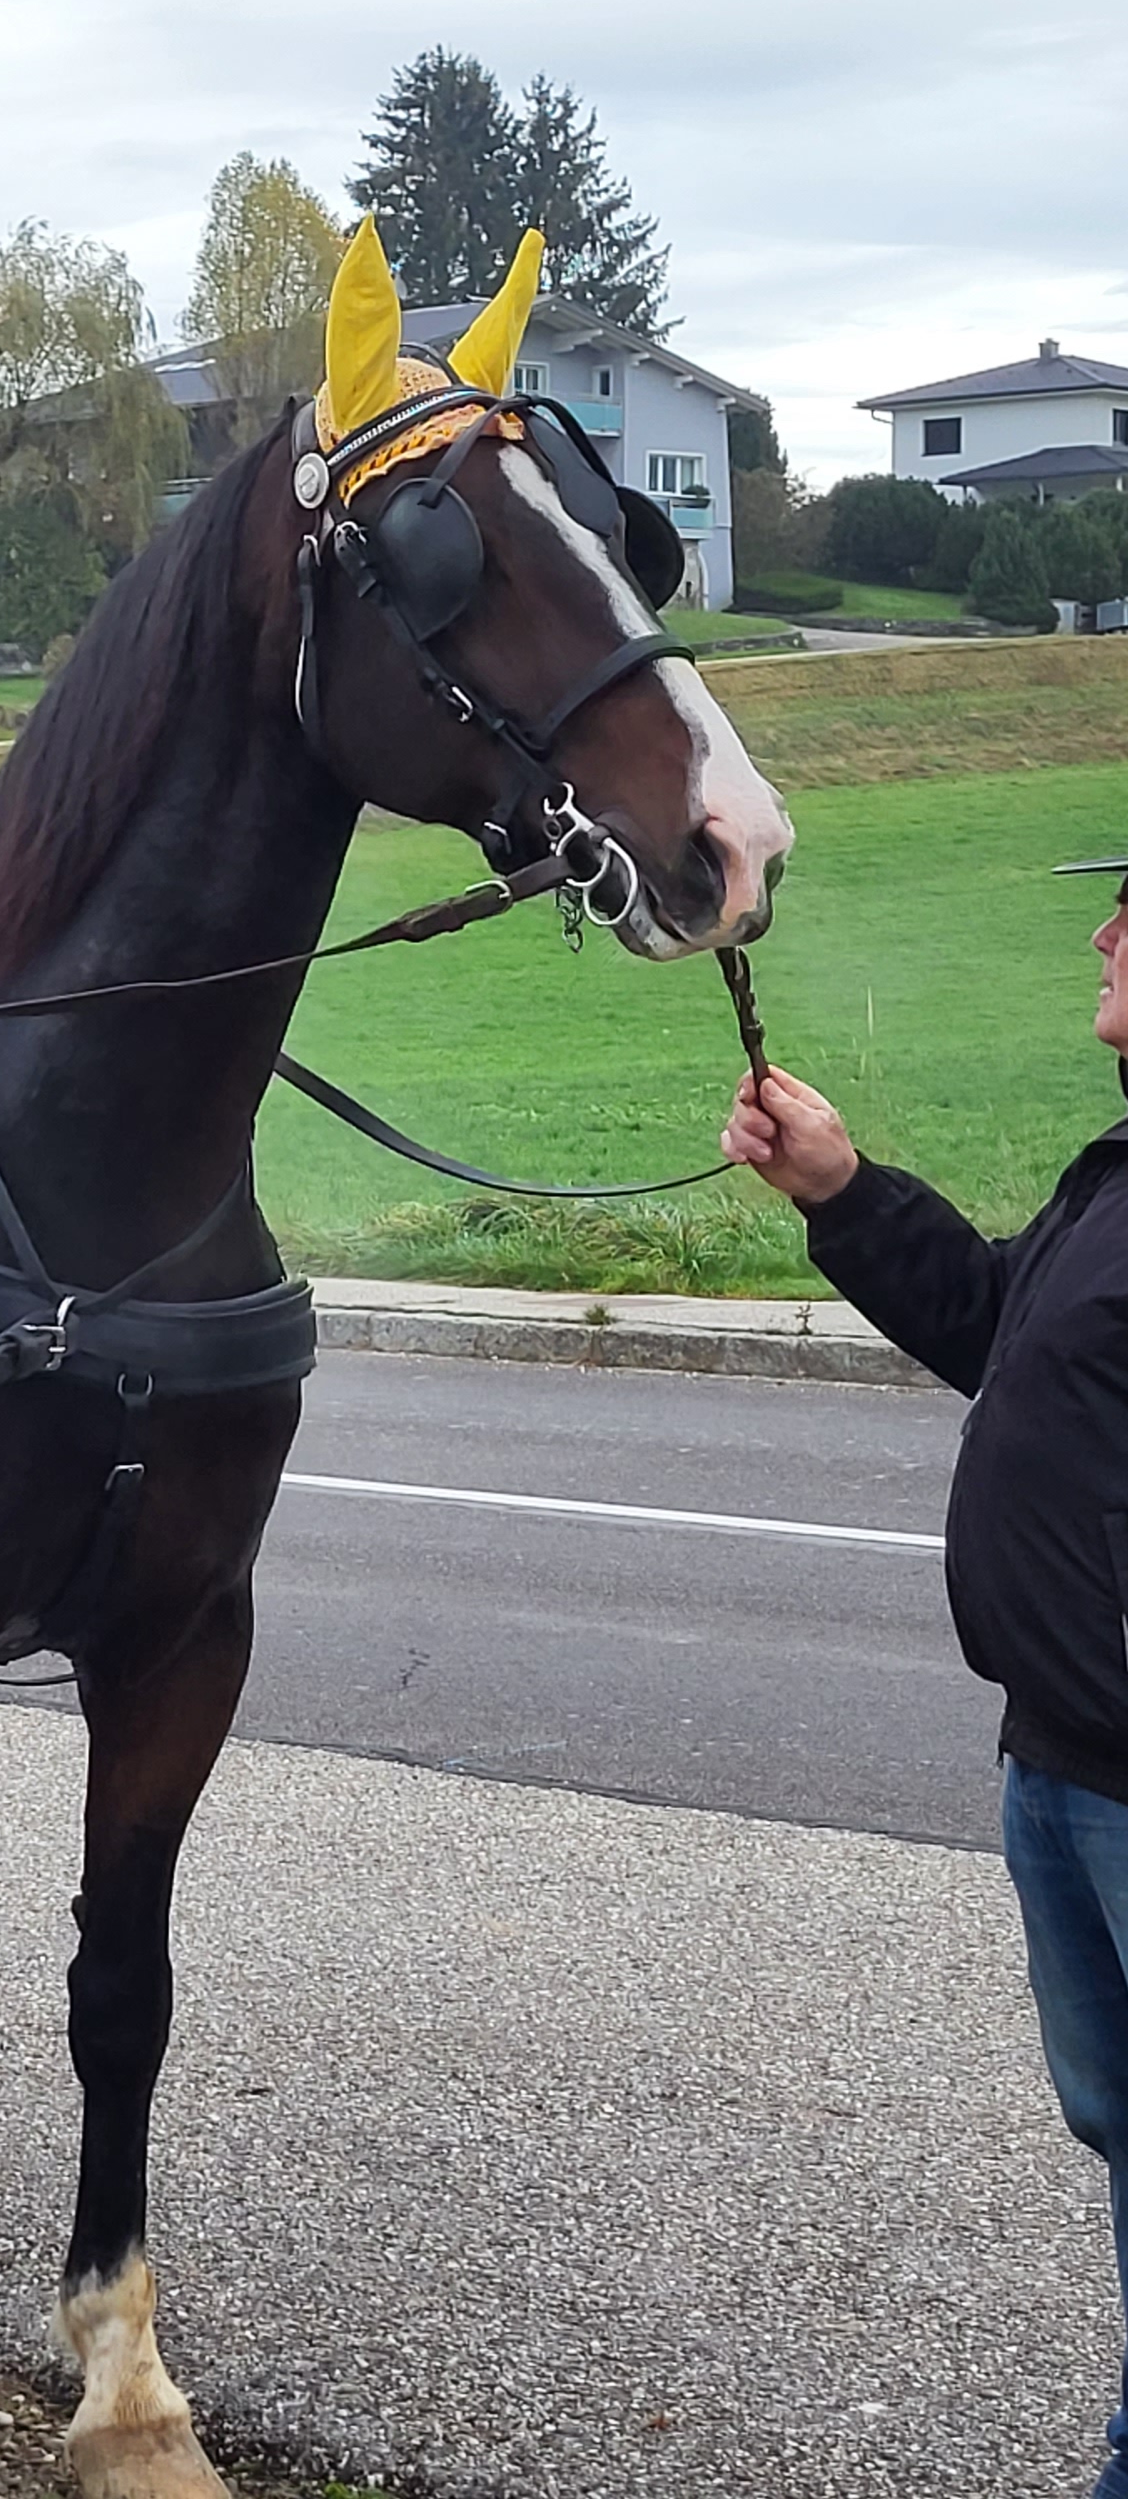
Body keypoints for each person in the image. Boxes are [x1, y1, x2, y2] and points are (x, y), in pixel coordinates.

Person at [727, 849, 1128, 2499]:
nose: (1103, 931)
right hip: (1064, 1762)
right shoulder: (1116, 1183)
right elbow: (988, 1320)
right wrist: (842, 1191)